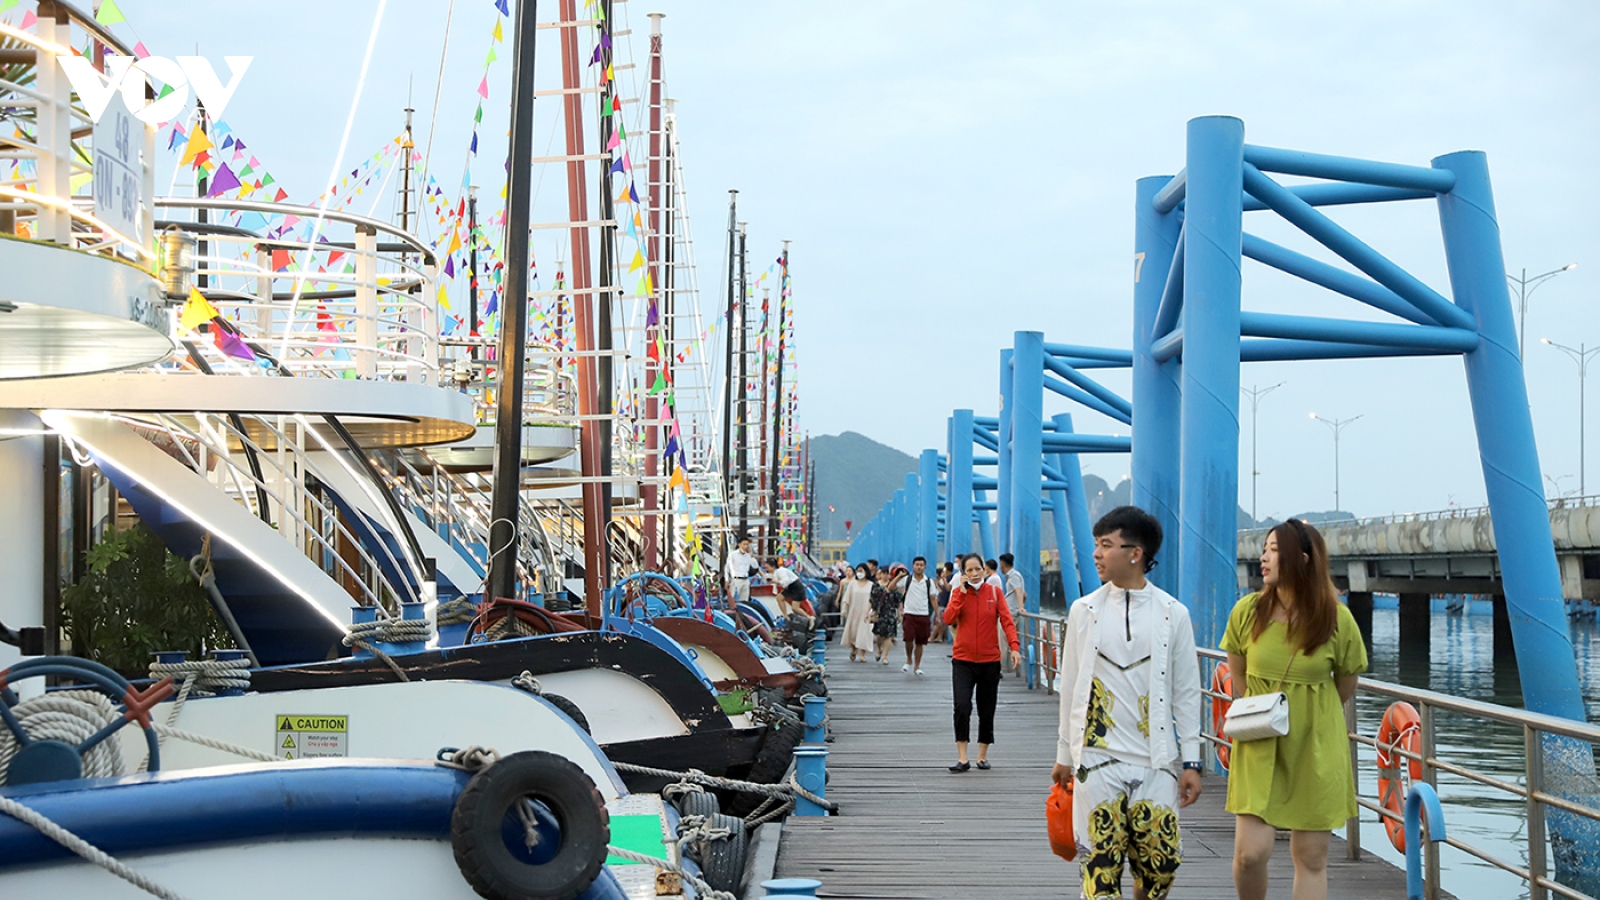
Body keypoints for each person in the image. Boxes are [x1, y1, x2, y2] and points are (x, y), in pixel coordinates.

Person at [1051, 506, 1202, 900]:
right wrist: (1065, 752)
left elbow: (1187, 691)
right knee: (1100, 869)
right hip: (1097, 759)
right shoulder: (1083, 611)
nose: (1096, 554)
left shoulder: (1174, 614)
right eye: (1097, 545)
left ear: (1135, 553)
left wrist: (1192, 760)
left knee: (1161, 866)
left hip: (1156, 761)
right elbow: (1070, 687)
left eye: (1106, 545)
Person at [1224, 519, 1366, 900]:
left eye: (1273, 549)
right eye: (1265, 548)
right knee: (1250, 854)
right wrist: (1265, 712)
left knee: (1311, 856)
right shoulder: (1247, 611)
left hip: (1316, 746)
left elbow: (1345, 684)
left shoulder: (1337, 619)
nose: (1263, 557)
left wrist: (1306, 714)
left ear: (1301, 559)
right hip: (1259, 741)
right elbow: (1238, 673)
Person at [942, 553, 1020, 772]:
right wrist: (961, 594)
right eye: (969, 570)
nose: (975, 574)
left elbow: (1007, 621)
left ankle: (982, 755)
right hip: (963, 660)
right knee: (962, 706)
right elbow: (948, 619)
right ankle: (963, 757)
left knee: (986, 709)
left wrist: (1014, 647)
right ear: (963, 573)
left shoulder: (994, 593)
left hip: (989, 660)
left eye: (978, 569)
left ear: (985, 570)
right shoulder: (958, 593)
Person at [900, 556, 937, 675]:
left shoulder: (928, 582)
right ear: (913, 566)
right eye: (917, 564)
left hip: (923, 614)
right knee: (908, 639)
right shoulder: (907, 579)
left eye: (921, 565)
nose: (919, 567)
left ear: (925, 567)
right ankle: (909, 658)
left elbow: (933, 598)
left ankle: (917, 666)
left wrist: (938, 615)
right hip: (909, 613)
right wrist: (898, 577)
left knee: (920, 642)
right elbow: (891, 587)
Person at [837, 564, 877, 663]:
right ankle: (854, 649)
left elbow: (873, 600)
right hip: (854, 611)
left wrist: (871, 612)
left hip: (866, 612)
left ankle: (862, 654)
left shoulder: (871, 585)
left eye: (862, 571)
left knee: (864, 633)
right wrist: (843, 609)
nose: (859, 573)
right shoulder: (852, 584)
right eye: (858, 570)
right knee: (854, 632)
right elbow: (846, 598)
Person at [870, 564, 906, 664]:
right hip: (880, 613)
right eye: (883, 573)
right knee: (879, 636)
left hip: (890, 613)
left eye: (887, 573)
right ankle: (879, 650)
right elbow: (872, 599)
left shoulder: (894, 586)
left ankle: (885, 656)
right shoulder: (876, 585)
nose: (885, 576)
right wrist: (869, 612)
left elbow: (898, 601)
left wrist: (899, 614)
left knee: (889, 636)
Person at [998, 552, 1026, 671]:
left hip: (1011, 611)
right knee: (1005, 639)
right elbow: (1024, 594)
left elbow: (1018, 591)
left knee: (1002, 640)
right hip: (1011, 610)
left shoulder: (1013, 576)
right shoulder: (1015, 575)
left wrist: (1020, 607)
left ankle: (999, 666)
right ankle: (1005, 664)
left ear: (1003, 564)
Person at [725, 535, 758, 608]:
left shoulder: (748, 556)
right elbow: (727, 568)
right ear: (739, 544)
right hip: (736, 579)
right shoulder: (732, 555)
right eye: (744, 544)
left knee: (745, 601)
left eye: (747, 545)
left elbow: (756, 566)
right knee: (733, 600)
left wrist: (751, 556)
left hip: (745, 580)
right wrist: (727, 580)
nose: (746, 546)